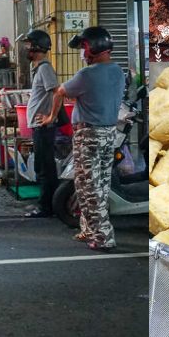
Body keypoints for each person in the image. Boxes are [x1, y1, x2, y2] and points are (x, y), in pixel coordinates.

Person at [40, 26, 124, 250]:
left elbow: (59, 91)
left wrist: (50, 117)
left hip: (89, 135)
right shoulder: (118, 71)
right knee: (100, 185)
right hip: (108, 134)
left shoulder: (87, 75)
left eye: (83, 47)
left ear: (92, 47)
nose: (81, 53)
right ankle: (88, 229)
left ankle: (103, 238)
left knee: (88, 187)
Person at [22, 29, 59, 218]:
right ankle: (48, 204)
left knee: (45, 167)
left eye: (29, 45)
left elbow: (56, 92)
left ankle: (46, 207)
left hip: (44, 127)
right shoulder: (39, 68)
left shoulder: (44, 68)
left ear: (37, 46)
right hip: (40, 127)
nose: (26, 48)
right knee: (43, 165)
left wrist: (50, 117)